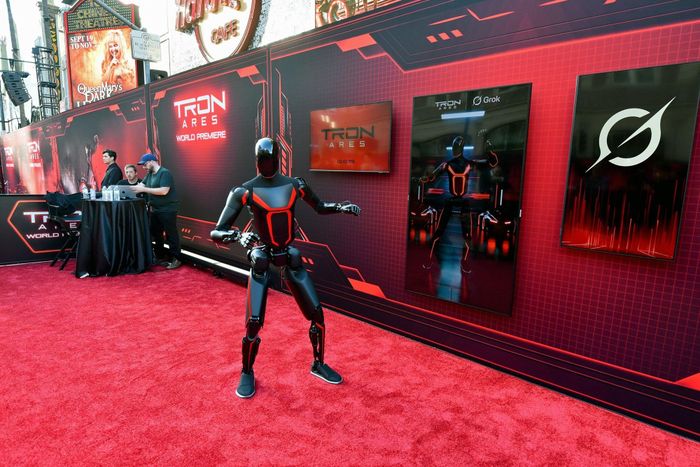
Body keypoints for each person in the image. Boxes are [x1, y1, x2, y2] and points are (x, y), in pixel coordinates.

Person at [210, 137, 361, 399]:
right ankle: (247, 371)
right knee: (253, 323)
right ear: (257, 160)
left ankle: (318, 363)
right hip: (262, 254)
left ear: (277, 158)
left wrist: (340, 207)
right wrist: (237, 236)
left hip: (289, 254)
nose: (265, 162)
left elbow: (319, 206)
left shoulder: (295, 185)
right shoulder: (244, 191)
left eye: (268, 158)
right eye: (262, 158)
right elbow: (217, 231)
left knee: (317, 314)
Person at [131, 153, 182, 270]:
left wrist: (144, 189)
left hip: (168, 209)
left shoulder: (165, 173)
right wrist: (129, 189)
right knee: (156, 234)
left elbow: (164, 191)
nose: (144, 167)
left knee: (171, 234)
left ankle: (176, 258)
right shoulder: (149, 174)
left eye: (145, 164)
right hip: (155, 209)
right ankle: (160, 256)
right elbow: (141, 185)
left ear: (151, 161)